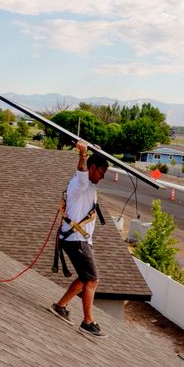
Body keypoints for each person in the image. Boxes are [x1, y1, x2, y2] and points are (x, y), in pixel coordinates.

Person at [51, 140, 109, 337]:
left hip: (79, 240)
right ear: (92, 168)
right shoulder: (80, 183)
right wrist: (83, 154)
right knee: (93, 279)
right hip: (76, 240)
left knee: (85, 278)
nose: (102, 177)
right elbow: (81, 170)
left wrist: (97, 152)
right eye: (101, 172)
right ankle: (88, 321)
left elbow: (90, 169)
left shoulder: (89, 185)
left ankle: (60, 306)